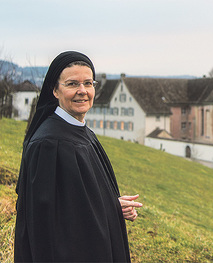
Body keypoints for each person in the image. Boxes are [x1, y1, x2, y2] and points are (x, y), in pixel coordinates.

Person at [14, 51, 142, 262]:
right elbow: (46, 225)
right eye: (72, 84)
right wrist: (108, 209)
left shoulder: (81, 132)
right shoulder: (48, 144)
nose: (82, 91)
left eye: (88, 83)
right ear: (55, 90)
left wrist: (113, 205)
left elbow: (75, 200)